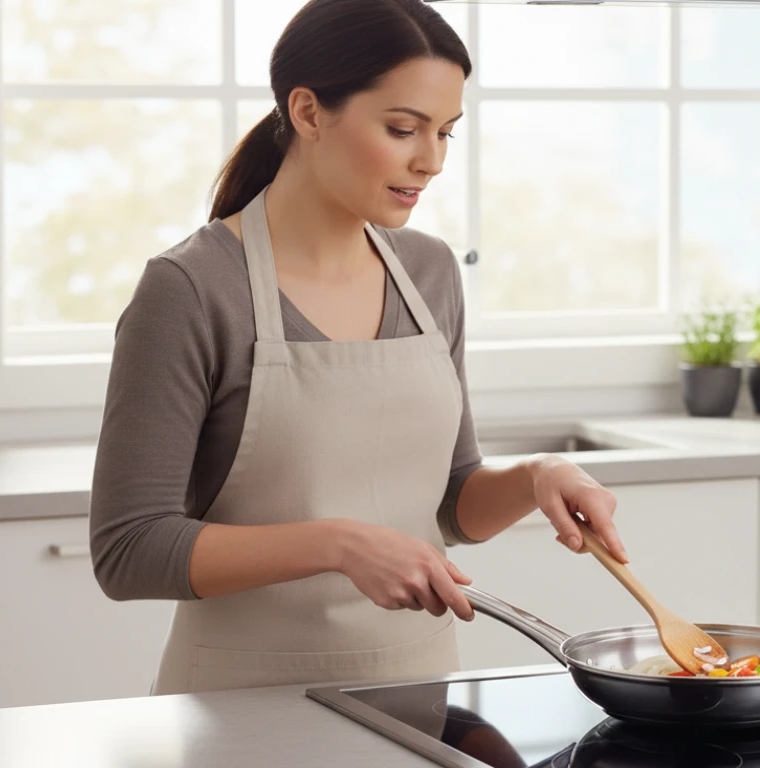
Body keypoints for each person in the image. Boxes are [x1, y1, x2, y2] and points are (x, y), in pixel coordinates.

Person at [88, 0, 629, 695]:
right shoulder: (192, 289)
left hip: (419, 691)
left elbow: (450, 502)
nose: (431, 161)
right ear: (308, 112)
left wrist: (537, 476)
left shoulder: (429, 272)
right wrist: (336, 544)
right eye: (403, 129)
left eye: (446, 133)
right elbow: (129, 549)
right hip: (242, 706)